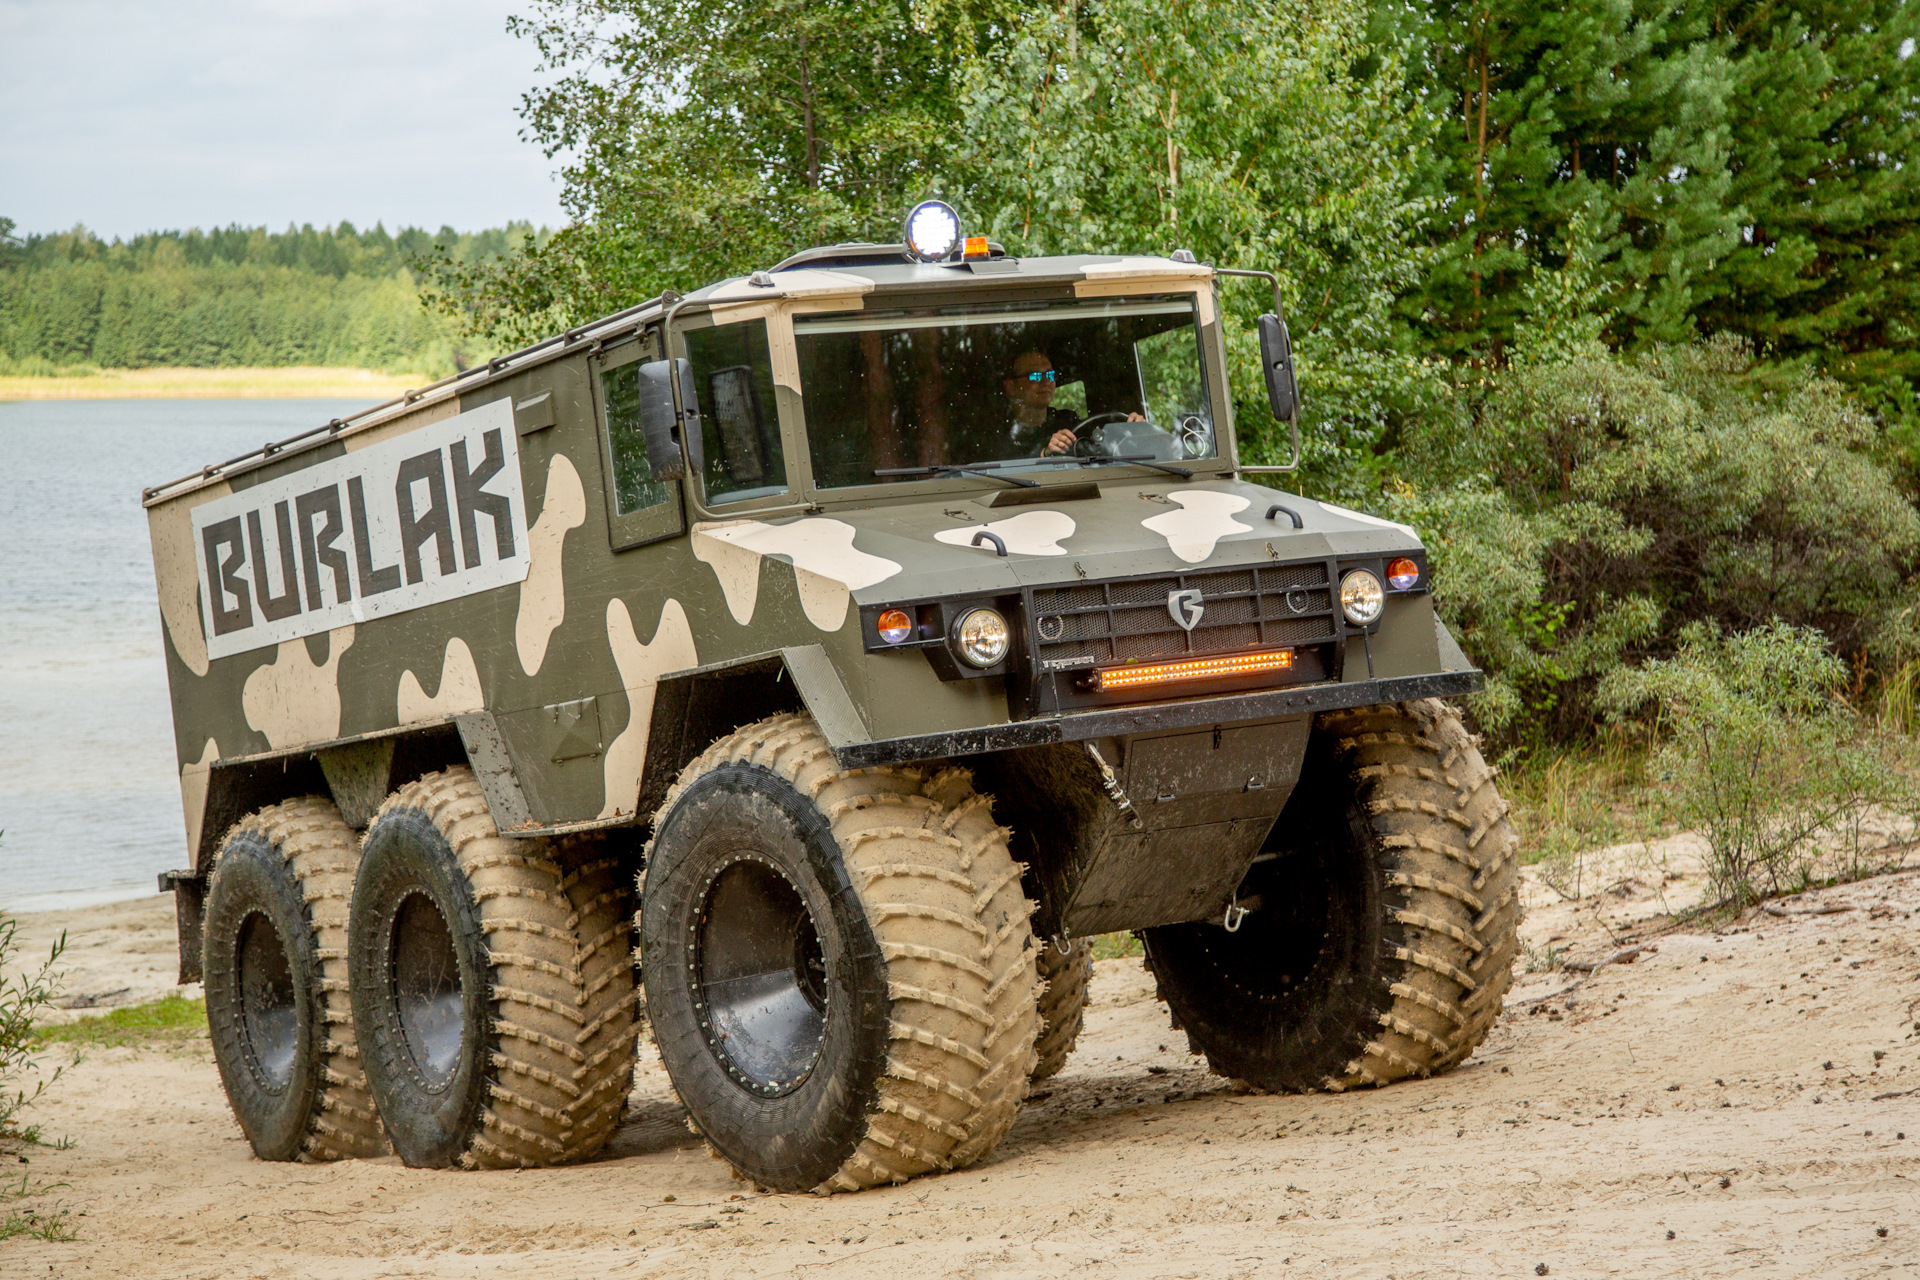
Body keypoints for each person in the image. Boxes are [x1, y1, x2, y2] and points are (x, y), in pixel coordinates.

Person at [1001, 351, 1081, 457]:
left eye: (1050, 375)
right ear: (1011, 387)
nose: (1046, 382)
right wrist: (1045, 454)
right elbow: (1002, 469)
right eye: (1035, 376)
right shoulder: (998, 431)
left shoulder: (1068, 423)